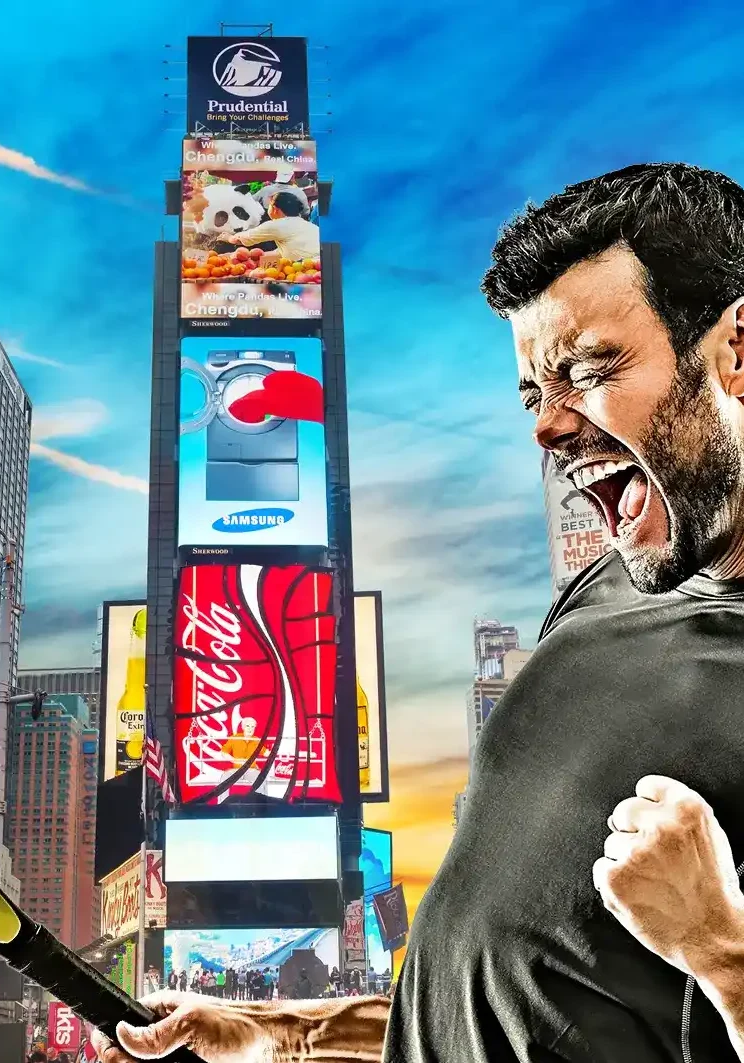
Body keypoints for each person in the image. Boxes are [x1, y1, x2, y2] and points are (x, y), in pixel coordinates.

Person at [94, 162, 744, 1062]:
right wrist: (286, 1033)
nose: (546, 429)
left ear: (736, 351)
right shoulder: (604, 594)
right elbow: (510, 965)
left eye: (588, 369)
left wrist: (722, 951)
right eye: (532, 395)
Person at [223, 191, 320, 264]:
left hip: (307, 266)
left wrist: (229, 238)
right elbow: (285, 251)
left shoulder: (277, 225)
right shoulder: (305, 224)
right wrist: (254, 258)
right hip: (320, 265)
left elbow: (247, 237)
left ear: (275, 209)